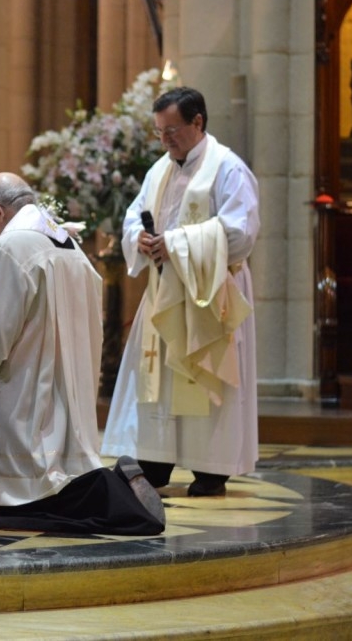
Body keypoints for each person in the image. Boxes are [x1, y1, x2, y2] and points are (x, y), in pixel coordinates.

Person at [0, 173, 165, 535]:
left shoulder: (9, 249)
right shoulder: (71, 247)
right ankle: (114, 487)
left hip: (21, 393)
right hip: (68, 394)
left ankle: (117, 493)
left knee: (17, 499)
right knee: (59, 479)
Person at [101, 87, 260, 498]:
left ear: (198, 122)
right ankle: (156, 460)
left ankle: (211, 469)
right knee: (161, 379)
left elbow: (240, 233)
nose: (165, 140)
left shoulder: (228, 168)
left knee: (204, 374)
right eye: (159, 132)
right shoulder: (160, 170)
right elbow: (135, 215)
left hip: (211, 291)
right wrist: (139, 238)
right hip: (166, 288)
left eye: (171, 131)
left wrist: (175, 243)